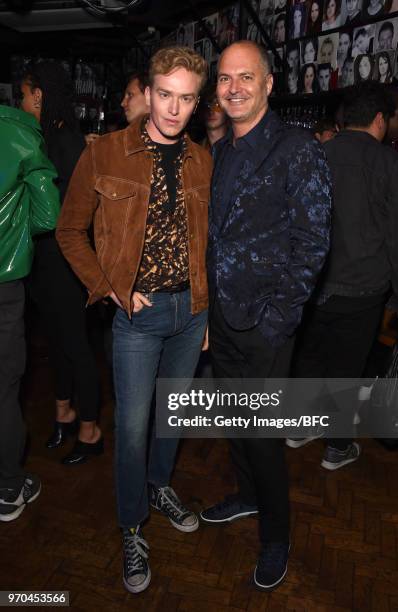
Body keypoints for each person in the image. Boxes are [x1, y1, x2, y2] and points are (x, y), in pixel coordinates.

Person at [56, 46, 212, 595]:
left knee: (172, 417)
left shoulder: (202, 158)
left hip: (190, 315)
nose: (173, 108)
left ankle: (160, 486)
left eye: (186, 98)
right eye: (164, 94)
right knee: (133, 428)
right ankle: (131, 526)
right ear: (147, 93)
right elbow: (69, 231)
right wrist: (110, 288)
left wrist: (205, 306)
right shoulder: (105, 153)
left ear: (198, 103)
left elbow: (204, 242)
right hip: (137, 317)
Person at [201, 40, 331, 591]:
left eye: (245, 78)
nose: (233, 88)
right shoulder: (224, 149)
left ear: (269, 84)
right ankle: (248, 496)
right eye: (226, 79)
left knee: (262, 433)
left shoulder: (297, 148)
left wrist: (279, 318)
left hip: (266, 324)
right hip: (225, 319)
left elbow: (313, 242)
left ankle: (276, 535)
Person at [288, 82, 398, 468]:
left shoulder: (317, 154)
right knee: (347, 366)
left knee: (309, 357)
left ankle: (300, 427)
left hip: (315, 281)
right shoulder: (390, 164)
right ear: (379, 119)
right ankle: (337, 447)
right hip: (363, 287)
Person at [20, 61, 102, 466]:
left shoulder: (67, 142)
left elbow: (77, 213)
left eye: (23, 94)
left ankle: (91, 430)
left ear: (38, 95)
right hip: (45, 263)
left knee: (76, 346)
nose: (20, 102)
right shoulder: (41, 138)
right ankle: (63, 411)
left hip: (67, 263)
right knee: (56, 344)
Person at [0, 104, 59, 522]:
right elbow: (48, 214)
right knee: (4, 388)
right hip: (3, 285)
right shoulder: (17, 134)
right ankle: (6, 487)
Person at [85, 72, 149, 145]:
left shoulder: (161, 139)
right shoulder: (123, 141)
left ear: (149, 96)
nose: (122, 103)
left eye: (130, 95)